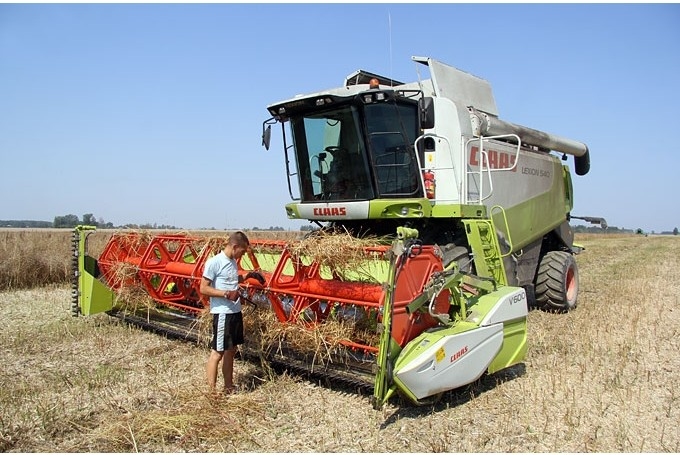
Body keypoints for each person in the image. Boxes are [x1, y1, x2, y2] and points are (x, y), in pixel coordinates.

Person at [200, 231, 262, 395]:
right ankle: (211, 393)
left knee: (231, 349)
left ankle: (228, 386)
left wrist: (248, 276)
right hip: (223, 314)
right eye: (242, 251)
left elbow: (231, 280)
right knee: (217, 352)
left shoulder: (233, 261)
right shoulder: (215, 262)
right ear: (235, 246)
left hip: (235, 312)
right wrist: (226, 294)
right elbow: (203, 288)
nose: (242, 254)